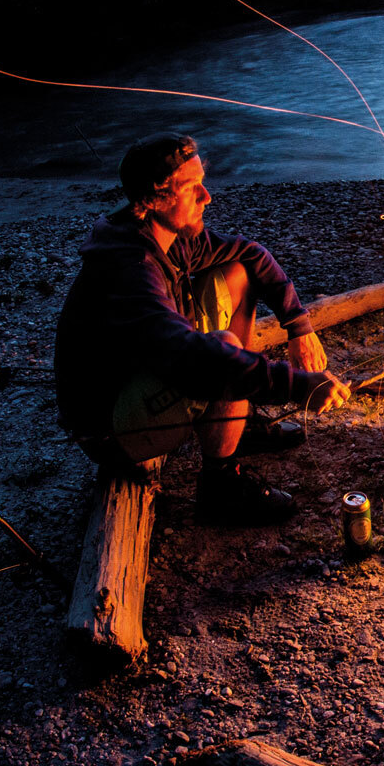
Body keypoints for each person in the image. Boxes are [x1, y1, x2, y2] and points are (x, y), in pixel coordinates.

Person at [55, 133, 349, 524]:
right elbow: (200, 359)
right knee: (221, 352)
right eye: (191, 188)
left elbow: (252, 253)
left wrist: (299, 327)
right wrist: (296, 385)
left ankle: (235, 426)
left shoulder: (168, 238)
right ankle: (221, 489)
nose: (207, 196)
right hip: (110, 428)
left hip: (144, 371)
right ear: (153, 200)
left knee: (235, 271)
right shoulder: (132, 267)